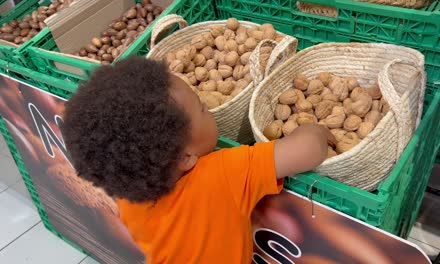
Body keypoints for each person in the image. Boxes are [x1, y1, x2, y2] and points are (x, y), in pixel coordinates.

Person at [61, 56, 335, 263]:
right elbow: (310, 148)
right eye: (202, 108)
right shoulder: (223, 173)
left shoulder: (129, 196)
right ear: (185, 157)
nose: (207, 105)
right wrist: (316, 129)